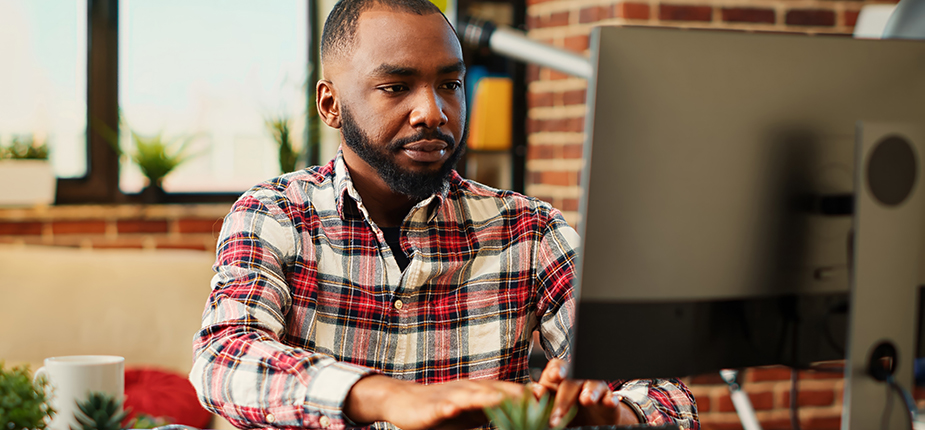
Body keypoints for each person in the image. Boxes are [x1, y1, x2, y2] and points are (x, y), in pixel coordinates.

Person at [189, 1, 699, 429]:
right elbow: (224, 358)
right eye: (396, 86)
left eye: (450, 85)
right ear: (330, 105)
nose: (433, 112)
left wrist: (611, 415)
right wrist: (389, 397)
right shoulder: (275, 215)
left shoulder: (530, 229)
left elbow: (666, 393)